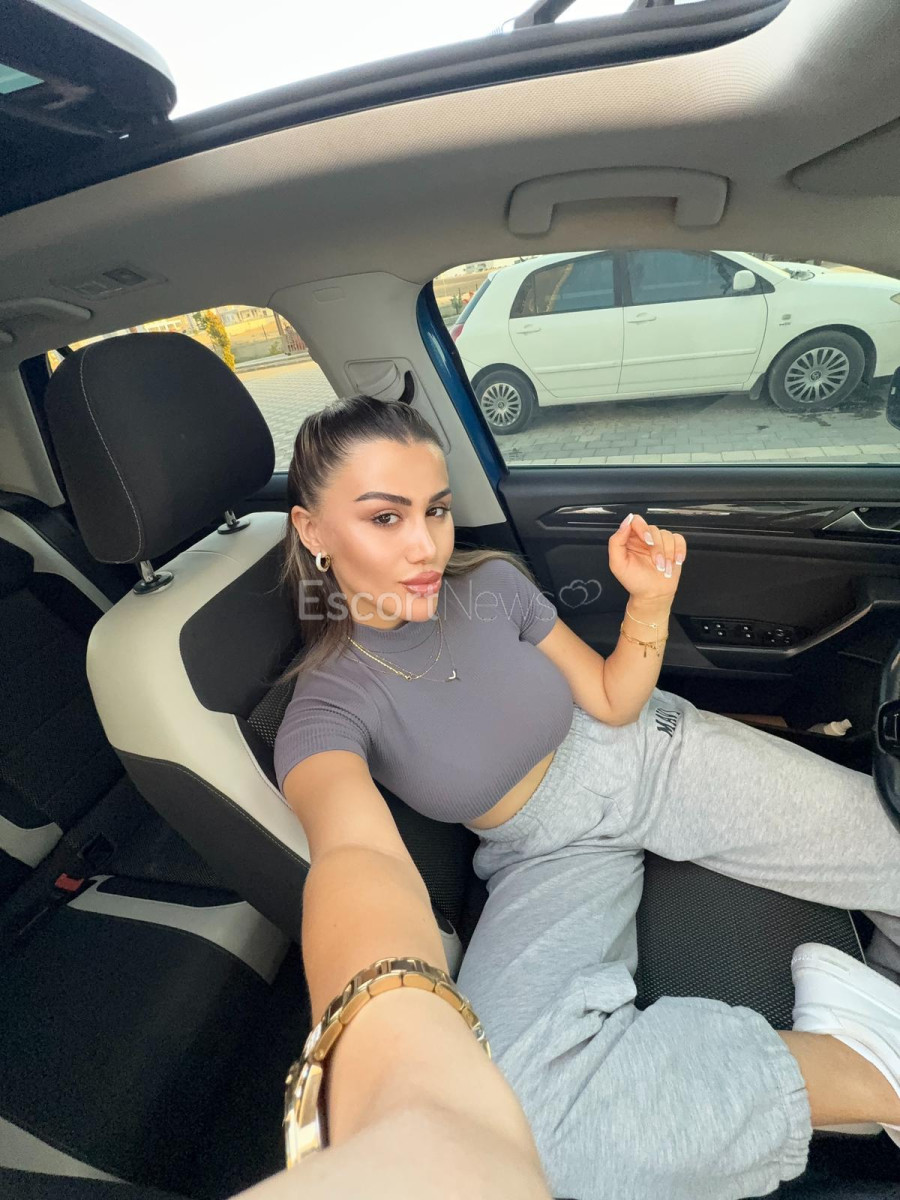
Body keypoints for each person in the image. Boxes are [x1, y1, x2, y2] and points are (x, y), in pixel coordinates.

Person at [272, 392, 900, 1200]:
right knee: (518, 1113)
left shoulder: (492, 584)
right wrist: (385, 1050)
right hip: (543, 852)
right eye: (385, 518)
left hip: (645, 757)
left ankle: (879, 995)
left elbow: (611, 699)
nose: (426, 545)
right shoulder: (325, 706)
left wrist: (650, 600)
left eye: (437, 509)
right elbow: (355, 854)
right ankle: (866, 1061)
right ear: (313, 529)